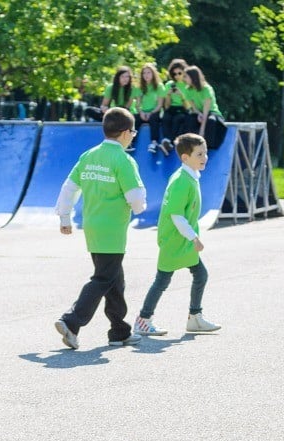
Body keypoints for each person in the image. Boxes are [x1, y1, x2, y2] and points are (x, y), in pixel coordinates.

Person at [53, 107, 147, 349]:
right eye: (133, 133)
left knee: (115, 279)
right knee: (103, 277)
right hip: (112, 229)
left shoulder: (89, 155)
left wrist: (65, 216)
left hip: (92, 225)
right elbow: (135, 198)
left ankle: (119, 331)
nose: (133, 137)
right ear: (126, 133)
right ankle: (71, 321)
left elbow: (69, 187)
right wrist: (141, 206)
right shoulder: (123, 160)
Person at [133, 133, 221, 337]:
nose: (204, 157)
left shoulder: (190, 177)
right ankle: (143, 320)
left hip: (183, 239)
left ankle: (195, 318)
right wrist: (194, 238)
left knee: (200, 275)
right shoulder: (182, 181)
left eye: (205, 152)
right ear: (185, 158)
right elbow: (176, 215)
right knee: (162, 280)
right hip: (175, 239)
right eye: (199, 154)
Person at [182, 65, 228, 150]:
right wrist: (198, 114)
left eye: (186, 76)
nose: (184, 79)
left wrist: (202, 130)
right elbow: (193, 107)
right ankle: (190, 144)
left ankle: (208, 147)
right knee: (189, 119)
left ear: (193, 77)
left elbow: (206, 109)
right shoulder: (187, 90)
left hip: (211, 112)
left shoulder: (207, 89)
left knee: (211, 121)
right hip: (199, 112)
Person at [133, 63, 166, 154]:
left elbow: (159, 105)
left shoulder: (159, 86)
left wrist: (151, 113)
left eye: (148, 73)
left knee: (154, 119)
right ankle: (130, 142)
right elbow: (138, 104)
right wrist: (141, 112)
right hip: (143, 113)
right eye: (144, 73)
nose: (146, 75)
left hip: (154, 112)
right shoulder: (139, 87)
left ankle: (154, 143)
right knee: (134, 118)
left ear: (153, 74)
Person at [160, 59, 190, 155]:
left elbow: (188, 106)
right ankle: (166, 140)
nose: (177, 76)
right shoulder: (169, 85)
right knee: (166, 117)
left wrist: (181, 96)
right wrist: (168, 95)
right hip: (172, 108)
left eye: (179, 73)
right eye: (174, 74)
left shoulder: (188, 85)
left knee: (178, 118)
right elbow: (166, 106)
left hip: (184, 109)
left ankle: (170, 141)